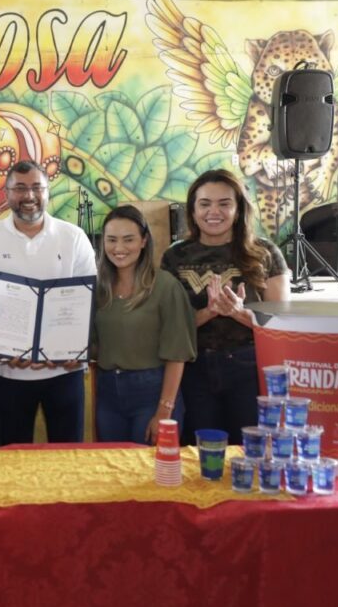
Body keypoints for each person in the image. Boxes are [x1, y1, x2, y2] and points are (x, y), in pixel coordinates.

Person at [0, 160, 97, 444]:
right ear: (7, 193)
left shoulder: (73, 237)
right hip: (7, 371)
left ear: (47, 191)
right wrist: (3, 349)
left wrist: (67, 349)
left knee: (68, 455)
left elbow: (87, 302)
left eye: (37, 187)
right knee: (12, 457)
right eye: (20, 188)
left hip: (65, 369)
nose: (29, 195)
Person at [161, 169, 289, 445]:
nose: (213, 212)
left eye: (224, 203)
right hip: (194, 370)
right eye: (205, 204)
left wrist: (239, 313)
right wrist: (208, 312)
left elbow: (282, 325)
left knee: (250, 450)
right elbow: (168, 328)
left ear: (238, 209)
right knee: (201, 452)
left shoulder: (265, 253)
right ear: (192, 210)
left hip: (249, 368)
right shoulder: (174, 256)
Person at [93, 205, 196, 445]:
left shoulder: (165, 286)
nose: (119, 248)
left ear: (143, 241)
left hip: (153, 394)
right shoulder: (98, 289)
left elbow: (177, 354)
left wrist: (164, 410)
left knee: (149, 466)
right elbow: (93, 345)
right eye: (111, 240)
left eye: (128, 239)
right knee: (110, 464)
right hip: (107, 395)